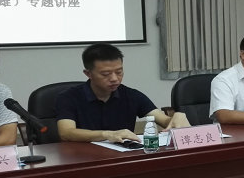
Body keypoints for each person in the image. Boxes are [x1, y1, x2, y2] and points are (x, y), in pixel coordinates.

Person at [56, 43, 189, 142]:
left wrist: (176, 118)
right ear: (88, 74)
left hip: (121, 158)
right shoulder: (68, 97)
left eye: (119, 72)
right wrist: (107, 135)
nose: (114, 78)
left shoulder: (131, 95)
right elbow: (66, 132)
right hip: (82, 158)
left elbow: (163, 120)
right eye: (106, 74)